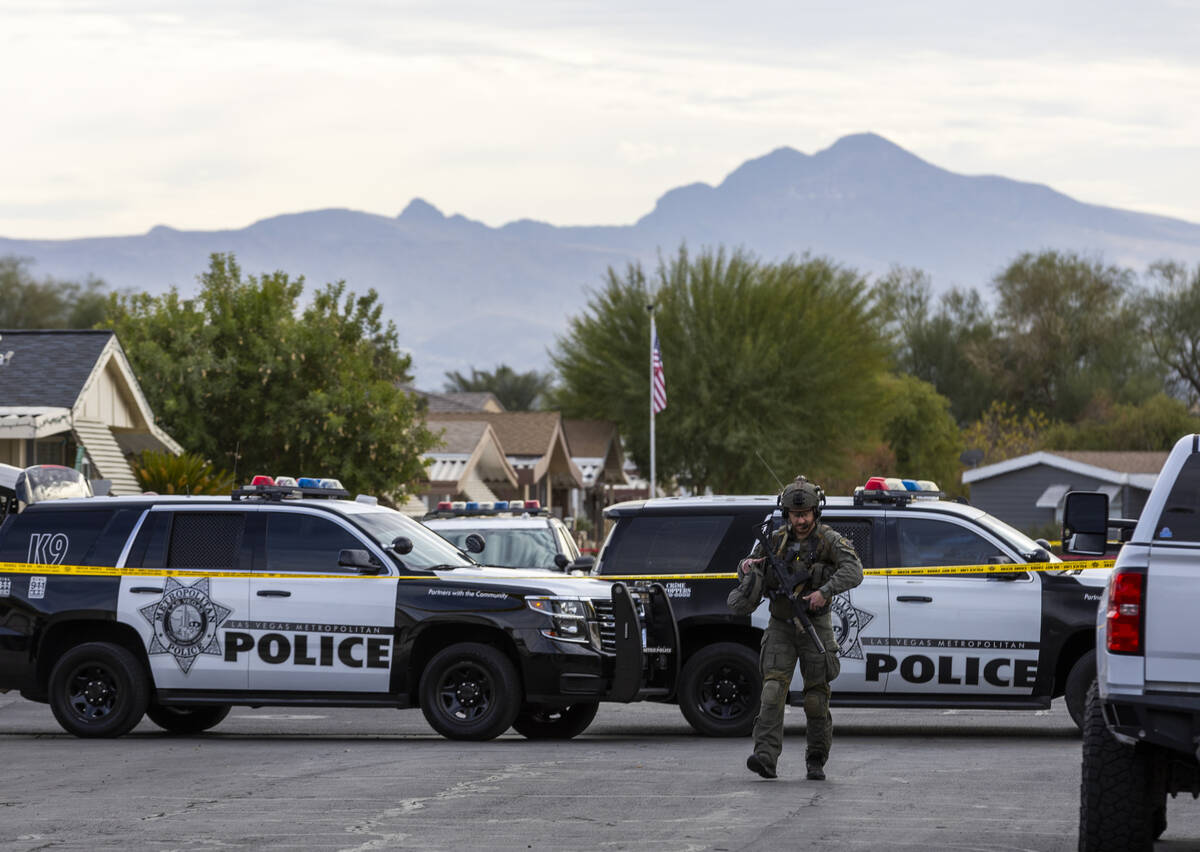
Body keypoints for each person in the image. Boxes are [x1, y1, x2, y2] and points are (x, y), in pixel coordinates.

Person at [727, 476, 863, 781]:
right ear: (786, 513)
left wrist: (824, 591)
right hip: (781, 625)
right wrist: (747, 568)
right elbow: (746, 565)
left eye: (805, 514)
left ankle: (815, 759)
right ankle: (765, 757)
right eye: (794, 514)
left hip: (815, 624)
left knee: (816, 698)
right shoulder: (774, 539)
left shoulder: (829, 540)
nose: (800, 520)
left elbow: (854, 570)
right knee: (772, 691)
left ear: (816, 512)